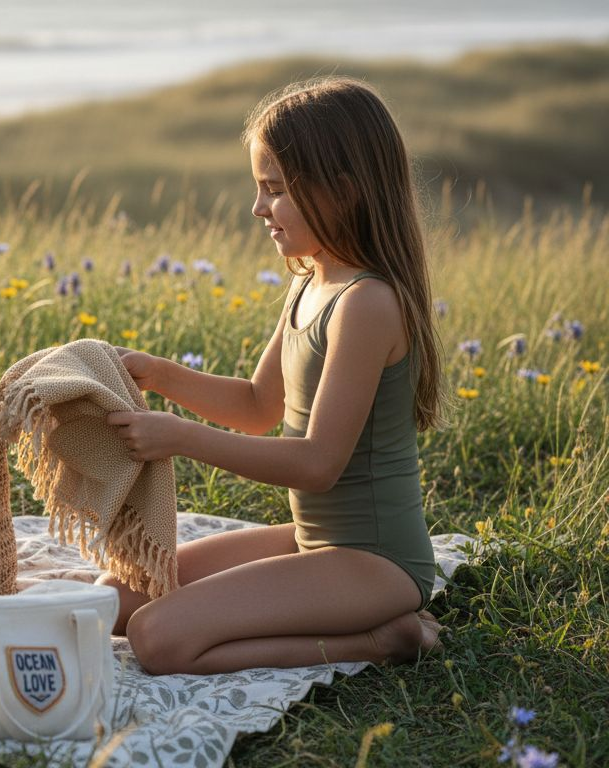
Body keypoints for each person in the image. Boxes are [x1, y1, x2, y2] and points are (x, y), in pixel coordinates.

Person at [101, 77, 444, 674]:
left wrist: (182, 438)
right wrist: (158, 374)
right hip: (314, 543)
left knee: (158, 639)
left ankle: (384, 639)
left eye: (274, 190)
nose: (258, 208)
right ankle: (361, 622)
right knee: (116, 594)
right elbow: (260, 403)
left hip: (377, 562)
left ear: (342, 193)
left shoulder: (367, 303)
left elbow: (317, 464)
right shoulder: (311, 280)